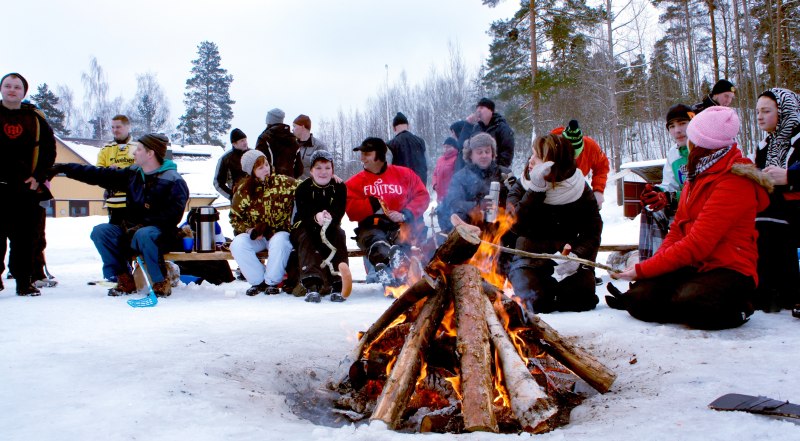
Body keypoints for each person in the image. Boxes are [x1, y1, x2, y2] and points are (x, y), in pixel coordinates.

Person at [607, 106, 771, 330]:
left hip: (729, 267)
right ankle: (675, 300)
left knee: (691, 302)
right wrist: (652, 269)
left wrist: (644, 270)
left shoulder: (734, 180)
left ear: (704, 143)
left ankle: (740, 306)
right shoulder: (697, 174)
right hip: (695, 265)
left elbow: (698, 243)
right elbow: (678, 229)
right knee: (639, 299)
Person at [54, 133, 189, 297]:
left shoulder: (174, 180)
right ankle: (124, 279)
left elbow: (172, 216)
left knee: (144, 233)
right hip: (132, 233)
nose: (134, 153)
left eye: (139, 149)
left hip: (161, 236)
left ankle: (160, 281)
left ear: (150, 153)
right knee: (101, 231)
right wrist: (64, 168)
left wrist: (142, 225)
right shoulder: (133, 174)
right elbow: (98, 175)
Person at [506, 134, 602, 313]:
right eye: (532, 154)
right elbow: (514, 224)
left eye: (538, 157)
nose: (530, 160)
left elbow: (593, 231)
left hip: (567, 259)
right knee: (534, 301)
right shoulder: (523, 185)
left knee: (582, 298)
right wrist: (535, 191)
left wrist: (577, 257)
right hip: (529, 257)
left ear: (554, 163)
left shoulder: (578, 187)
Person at [0, 72, 57, 296]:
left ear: (24, 92)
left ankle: (24, 281)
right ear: (1, 89)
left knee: (25, 239)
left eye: (17, 87)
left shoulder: (35, 119)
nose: (12, 90)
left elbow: (48, 151)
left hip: (26, 189)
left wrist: (39, 176)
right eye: (8, 86)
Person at [345, 137, 429, 285]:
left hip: (399, 226)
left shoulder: (404, 174)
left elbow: (422, 196)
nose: (362, 158)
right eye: (362, 154)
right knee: (377, 243)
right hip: (371, 227)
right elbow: (350, 211)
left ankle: (401, 277)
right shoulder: (355, 182)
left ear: (379, 155)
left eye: (367, 154)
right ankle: (386, 274)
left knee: (402, 243)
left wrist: (405, 214)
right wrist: (370, 204)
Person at [753, 87, 800, 312]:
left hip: (795, 208)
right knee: (760, 222)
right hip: (774, 209)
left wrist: (790, 176)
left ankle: (790, 291)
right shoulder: (764, 146)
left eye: (766, 111)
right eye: (757, 112)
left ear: (784, 112)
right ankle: (769, 290)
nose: (760, 117)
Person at [229, 149, 297, 296]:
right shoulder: (243, 190)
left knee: (280, 242)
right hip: (257, 237)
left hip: (278, 233)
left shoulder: (284, 182)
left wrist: (331, 179)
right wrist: (249, 230)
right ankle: (258, 281)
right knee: (238, 244)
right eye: (260, 168)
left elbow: (307, 187)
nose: (266, 169)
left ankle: (272, 282)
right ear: (251, 171)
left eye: (266, 164)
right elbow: (235, 218)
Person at [638, 104, 694, 261]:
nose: (677, 130)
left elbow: (703, 190)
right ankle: (651, 262)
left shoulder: (703, 149)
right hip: (682, 206)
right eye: (672, 126)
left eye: (682, 123)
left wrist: (671, 197)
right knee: (651, 208)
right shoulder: (673, 154)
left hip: (702, 209)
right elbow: (670, 185)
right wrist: (656, 193)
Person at [291, 150, 348, 303]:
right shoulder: (303, 188)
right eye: (318, 168)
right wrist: (316, 217)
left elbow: (339, 211)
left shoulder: (339, 187)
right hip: (304, 225)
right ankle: (312, 284)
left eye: (327, 168)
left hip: (330, 226)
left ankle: (338, 282)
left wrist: (330, 217)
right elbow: (304, 212)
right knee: (308, 236)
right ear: (311, 170)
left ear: (332, 170)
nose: (323, 172)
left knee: (339, 234)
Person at [438, 133, 514, 232]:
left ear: (492, 153)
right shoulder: (460, 177)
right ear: (470, 155)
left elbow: (515, 199)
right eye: (479, 152)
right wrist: (477, 206)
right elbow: (454, 203)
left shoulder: (505, 174)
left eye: (487, 151)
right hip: (473, 230)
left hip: (501, 229)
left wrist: (506, 206)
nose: (484, 155)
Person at [550, 120, 610, 209]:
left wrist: (598, 191)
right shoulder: (549, 147)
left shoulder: (590, 147)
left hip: (577, 191)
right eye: (570, 155)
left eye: (577, 155)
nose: (573, 159)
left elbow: (602, 166)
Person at [97, 115, 136, 226]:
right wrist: (108, 171)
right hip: (113, 204)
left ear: (128, 127)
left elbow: (141, 172)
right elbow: (98, 174)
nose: (115, 130)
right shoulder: (106, 149)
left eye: (118, 127)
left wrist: (119, 171)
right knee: (114, 234)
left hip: (133, 203)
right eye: (112, 127)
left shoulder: (138, 147)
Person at [465, 98, 515, 168]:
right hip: (478, 171)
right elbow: (467, 148)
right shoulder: (476, 128)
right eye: (477, 108)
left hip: (495, 170)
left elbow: (507, 152)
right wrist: (468, 124)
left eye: (481, 108)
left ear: (490, 110)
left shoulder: (502, 128)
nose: (478, 110)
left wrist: (496, 169)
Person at [255, 108, 302, 178]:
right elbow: (299, 169)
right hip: (289, 182)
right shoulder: (292, 139)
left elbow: (258, 164)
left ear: (269, 121)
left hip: (270, 182)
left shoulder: (264, 139)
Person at [388, 112, 428, 185]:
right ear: (408, 126)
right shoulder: (421, 142)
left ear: (394, 128)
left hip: (401, 187)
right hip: (420, 186)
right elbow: (427, 164)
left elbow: (386, 169)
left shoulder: (390, 145)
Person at [213, 128, 250, 201]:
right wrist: (231, 196)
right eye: (242, 141)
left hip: (256, 198)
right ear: (234, 143)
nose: (245, 143)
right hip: (238, 200)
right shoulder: (226, 159)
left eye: (245, 140)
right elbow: (218, 182)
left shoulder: (254, 155)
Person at [292, 114, 328, 180]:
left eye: (294, 126)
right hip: (293, 185)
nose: (292, 129)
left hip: (312, 185)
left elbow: (325, 170)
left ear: (302, 126)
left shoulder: (319, 146)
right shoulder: (292, 146)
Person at [432, 137, 459, 204]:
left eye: (449, 147)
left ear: (454, 147)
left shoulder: (457, 159)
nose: (446, 149)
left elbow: (458, 177)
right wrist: (435, 185)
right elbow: (435, 174)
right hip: (439, 196)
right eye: (445, 147)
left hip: (451, 196)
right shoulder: (440, 159)